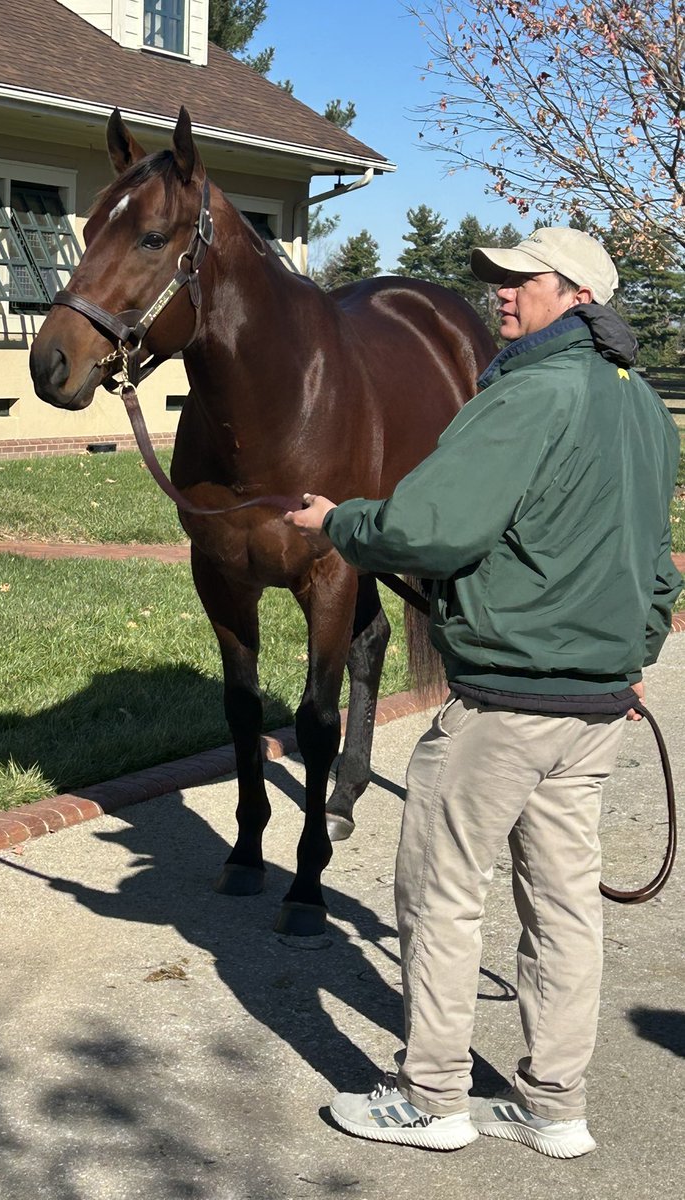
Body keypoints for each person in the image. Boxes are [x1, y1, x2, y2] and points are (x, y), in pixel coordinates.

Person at [285, 227, 683, 1157]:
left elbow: (432, 528)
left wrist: (339, 520)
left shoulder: (529, 393)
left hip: (507, 703)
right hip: (596, 706)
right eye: (498, 279)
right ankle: (553, 1105)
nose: (500, 292)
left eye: (521, 280)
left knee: (440, 893)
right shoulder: (643, 404)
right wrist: (629, 658)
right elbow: (658, 565)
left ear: (577, 294)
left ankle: (431, 1099)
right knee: (564, 907)